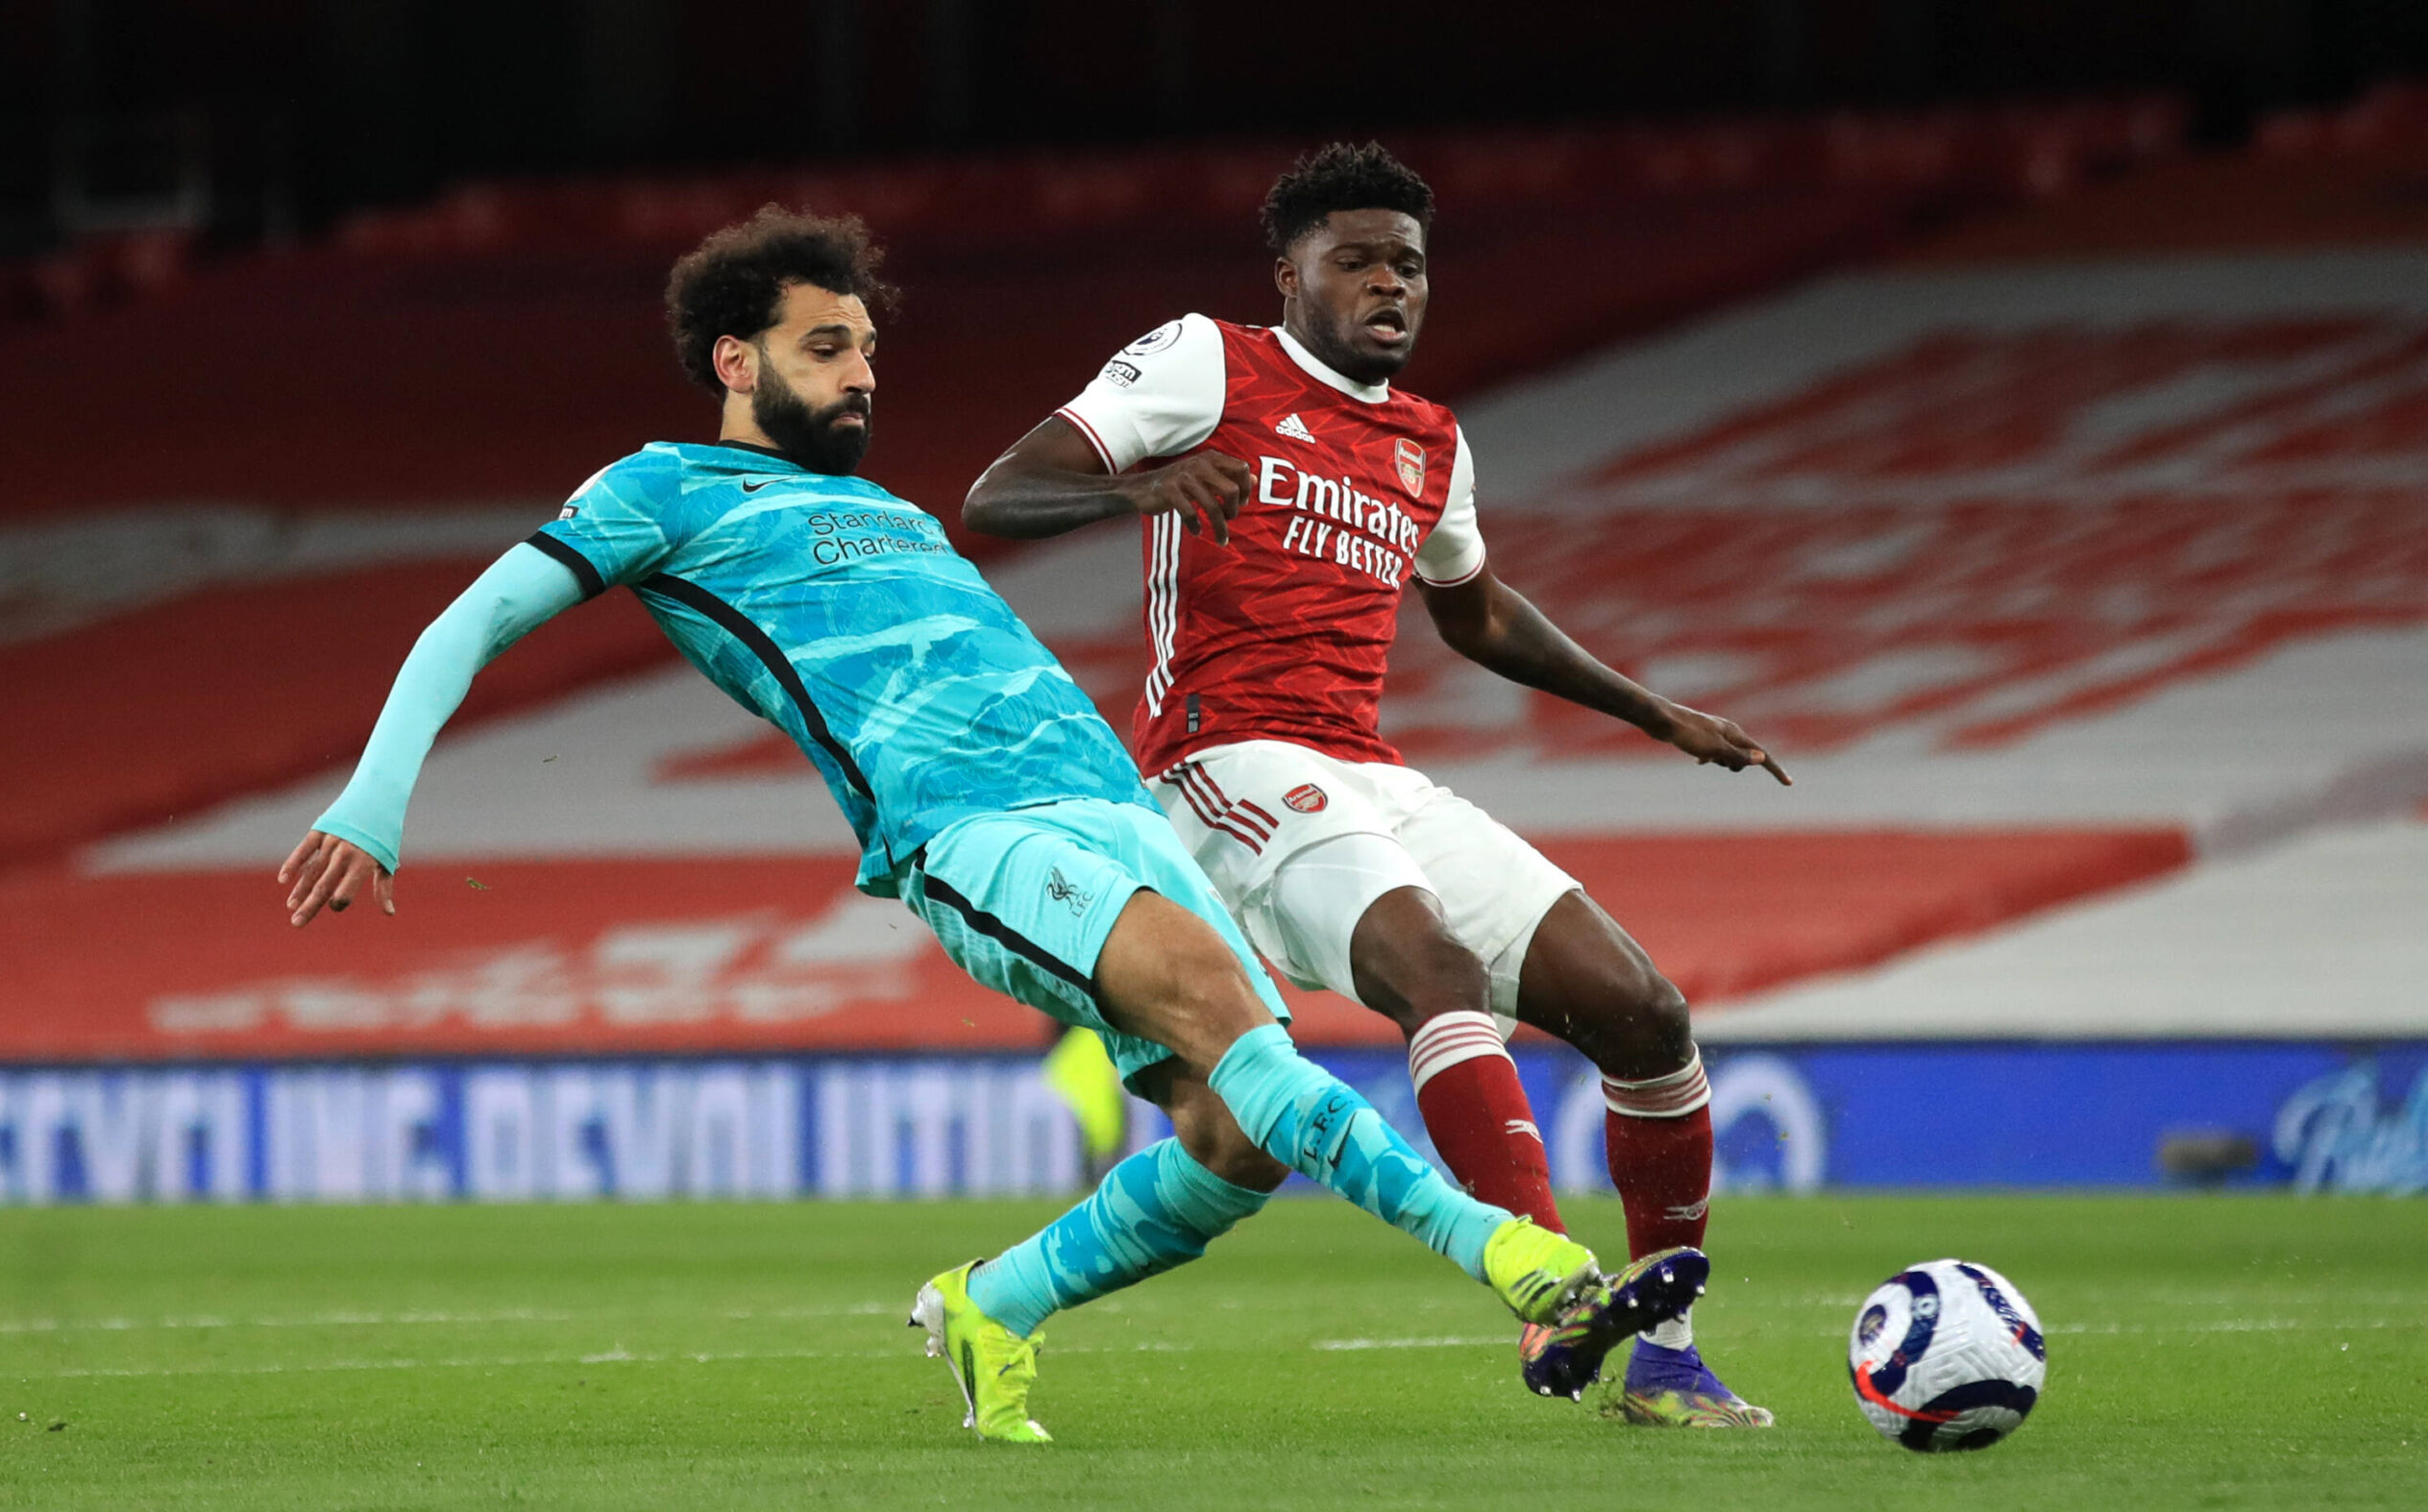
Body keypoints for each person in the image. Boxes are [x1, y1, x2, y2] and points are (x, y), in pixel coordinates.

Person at [275, 207, 1705, 1444]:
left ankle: (990, 1302)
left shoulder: (882, 505)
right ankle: (1522, 1264)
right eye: (827, 346)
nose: (861, 373)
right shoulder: (662, 490)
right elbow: (480, 615)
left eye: (868, 350)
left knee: (1235, 1134)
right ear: (735, 359)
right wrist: (375, 799)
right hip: (974, 833)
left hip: (1111, 808)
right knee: (1236, 1025)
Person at [963, 144, 1786, 1427]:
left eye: (1408, 263)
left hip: (1364, 768)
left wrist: (1654, 709)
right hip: (1221, 760)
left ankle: (1668, 1356)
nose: (1389, 283)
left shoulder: (1429, 440)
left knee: (1645, 1011)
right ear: (1287, 273)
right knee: (1436, 970)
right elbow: (997, 492)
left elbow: (1480, 616)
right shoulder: (1206, 361)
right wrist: (1142, 483)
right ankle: (1545, 1289)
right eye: (1355, 260)